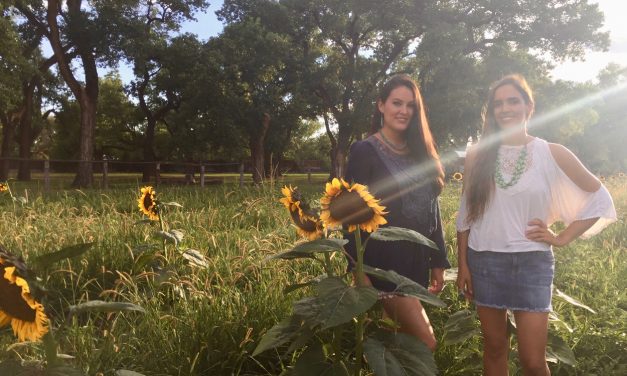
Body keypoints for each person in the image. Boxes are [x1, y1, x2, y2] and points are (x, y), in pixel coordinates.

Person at [455, 74, 616, 375]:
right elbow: (466, 214)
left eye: (513, 101)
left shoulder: (551, 152)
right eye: (498, 103)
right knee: (494, 348)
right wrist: (463, 264)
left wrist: (563, 237)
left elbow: (600, 197)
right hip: (485, 261)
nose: (505, 108)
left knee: (532, 360)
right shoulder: (477, 155)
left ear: (529, 106)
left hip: (532, 263)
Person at [344, 74, 451, 351]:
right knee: (426, 344)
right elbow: (350, 214)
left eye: (410, 105)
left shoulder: (420, 152)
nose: (403, 111)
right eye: (396, 103)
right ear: (381, 105)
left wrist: (438, 259)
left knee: (395, 345)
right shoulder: (364, 151)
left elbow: (433, 209)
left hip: (415, 262)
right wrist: (358, 271)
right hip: (383, 266)